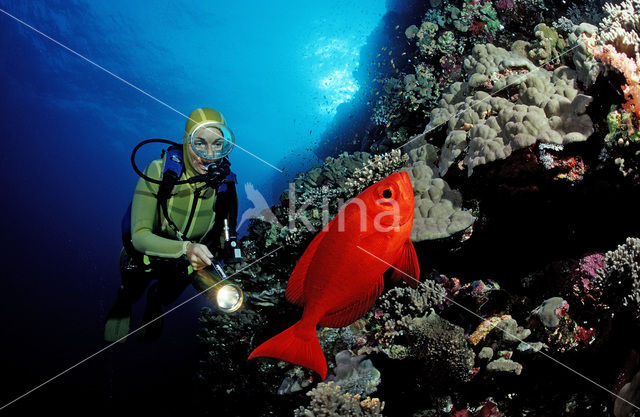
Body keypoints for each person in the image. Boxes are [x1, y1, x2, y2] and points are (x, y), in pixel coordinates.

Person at [104, 107, 239, 342]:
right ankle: (124, 300)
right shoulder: (158, 171)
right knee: (133, 289)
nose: (208, 154)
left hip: (182, 267)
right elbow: (139, 236)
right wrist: (186, 249)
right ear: (187, 142)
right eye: (200, 143)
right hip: (144, 258)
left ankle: (155, 303)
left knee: (165, 296)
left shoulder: (226, 186)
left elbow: (227, 237)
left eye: (218, 144)